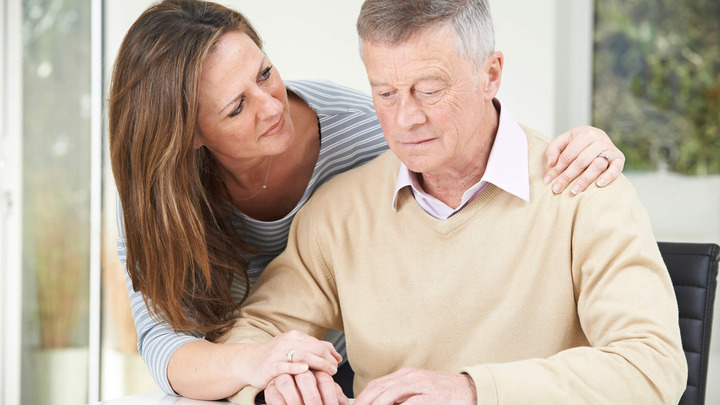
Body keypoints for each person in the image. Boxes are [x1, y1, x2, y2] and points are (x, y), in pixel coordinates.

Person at [109, 0, 627, 400]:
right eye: (236, 107)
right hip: (297, 374)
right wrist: (270, 371)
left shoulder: (376, 135)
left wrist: (469, 389)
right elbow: (195, 338)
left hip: (357, 366)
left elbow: (647, 364)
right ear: (190, 136)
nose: (271, 108)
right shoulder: (173, 197)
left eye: (265, 74)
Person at [219, 0, 687, 404]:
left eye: (429, 89)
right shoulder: (337, 212)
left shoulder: (583, 190)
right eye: (385, 93)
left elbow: (651, 367)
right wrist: (278, 379)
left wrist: (472, 391)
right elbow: (253, 336)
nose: (405, 118)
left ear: (491, 74)